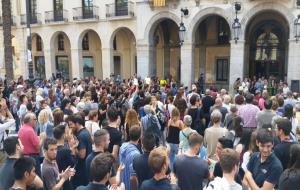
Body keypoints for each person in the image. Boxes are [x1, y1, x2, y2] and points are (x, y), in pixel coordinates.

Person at [67, 113, 93, 188]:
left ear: (77, 123)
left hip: (82, 170)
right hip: (85, 168)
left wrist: (73, 147)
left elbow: (82, 155)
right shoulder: (84, 131)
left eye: (71, 124)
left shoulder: (81, 136)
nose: (70, 127)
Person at [18, 112, 46, 177]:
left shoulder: (21, 129)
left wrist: (38, 137)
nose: (36, 121)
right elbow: (38, 147)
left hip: (25, 156)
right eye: (35, 119)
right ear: (30, 120)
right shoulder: (30, 130)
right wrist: (43, 138)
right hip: (33, 157)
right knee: (36, 177)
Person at [53, 124, 77, 190]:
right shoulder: (65, 150)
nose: (69, 133)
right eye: (67, 132)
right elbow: (72, 163)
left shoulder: (53, 148)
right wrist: (73, 148)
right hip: (64, 180)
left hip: (54, 178)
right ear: (64, 135)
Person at [119, 125, 141, 190]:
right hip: (130, 186)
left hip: (123, 183)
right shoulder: (136, 154)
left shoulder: (122, 146)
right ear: (139, 136)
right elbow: (133, 177)